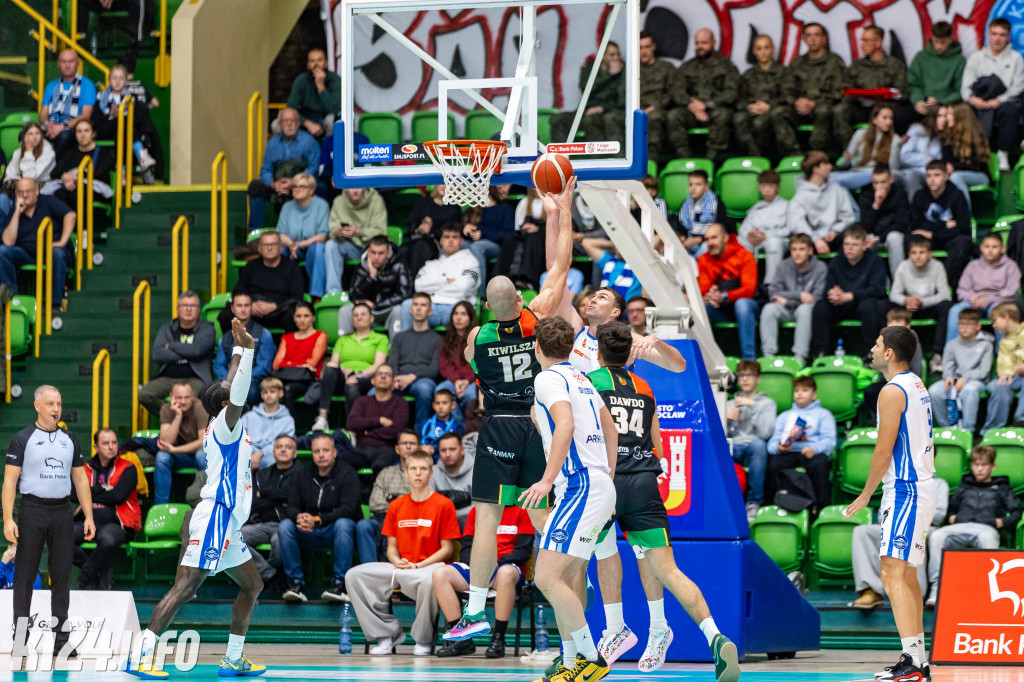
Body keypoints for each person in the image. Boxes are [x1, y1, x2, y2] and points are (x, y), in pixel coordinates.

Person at [442, 178, 578, 643]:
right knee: (544, 520)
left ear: (485, 306)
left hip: (498, 427)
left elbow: (474, 368)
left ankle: (475, 610)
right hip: (537, 424)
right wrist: (563, 210)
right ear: (520, 301)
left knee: (486, 520)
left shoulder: (476, 337)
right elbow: (561, 265)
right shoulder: (536, 317)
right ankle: (567, 601)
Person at [585, 322, 739, 678]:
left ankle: (588, 641)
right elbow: (657, 443)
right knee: (668, 569)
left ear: (598, 353)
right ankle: (714, 635)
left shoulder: (590, 383)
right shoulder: (644, 387)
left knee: (577, 560)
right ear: (629, 354)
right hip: (644, 483)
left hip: (607, 483)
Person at [125, 319, 267, 678]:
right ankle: (140, 655)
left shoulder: (222, 421)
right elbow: (236, 389)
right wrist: (250, 353)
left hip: (228, 522)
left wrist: (238, 347)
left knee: (253, 585)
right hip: (216, 515)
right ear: (226, 403)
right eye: (231, 393)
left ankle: (233, 658)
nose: (236, 390)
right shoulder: (226, 426)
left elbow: (231, 382)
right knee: (185, 588)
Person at [515, 316, 619, 682]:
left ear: (536, 348)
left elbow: (566, 424)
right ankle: (571, 659)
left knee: (546, 576)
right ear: (571, 348)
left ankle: (591, 658)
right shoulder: (582, 377)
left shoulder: (547, 378)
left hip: (580, 485)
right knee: (568, 575)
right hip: (598, 483)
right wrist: (608, 476)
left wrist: (546, 480)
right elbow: (611, 429)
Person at [845, 325, 939, 682]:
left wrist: (865, 494)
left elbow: (883, 451)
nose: (871, 349)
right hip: (920, 486)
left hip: (906, 489)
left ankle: (912, 662)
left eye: (877, 344)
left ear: (888, 353)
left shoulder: (891, 391)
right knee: (907, 574)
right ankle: (918, 661)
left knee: (892, 572)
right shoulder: (916, 383)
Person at [4, 386, 94, 665]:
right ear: (37, 406)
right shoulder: (23, 439)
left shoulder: (70, 439)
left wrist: (88, 515)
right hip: (32, 510)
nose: (56, 409)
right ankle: (20, 642)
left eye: (59, 403)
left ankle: (61, 641)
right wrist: (8, 519)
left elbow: (81, 479)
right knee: (24, 577)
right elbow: (9, 482)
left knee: (62, 576)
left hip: (62, 511)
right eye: (50, 403)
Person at [347, 449, 462, 656]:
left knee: (430, 580)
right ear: (406, 473)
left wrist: (418, 565)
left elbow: (447, 549)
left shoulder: (444, 505)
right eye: (413, 469)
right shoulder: (396, 505)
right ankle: (387, 634)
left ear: (431, 473)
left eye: (423, 469)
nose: (418, 473)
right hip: (402, 566)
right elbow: (391, 548)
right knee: (354, 575)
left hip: (430, 567)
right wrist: (396, 561)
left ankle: (424, 640)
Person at [433, 503, 534, 658]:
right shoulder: (477, 511)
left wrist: (495, 563)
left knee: (506, 574)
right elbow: (466, 546)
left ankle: (498, 639)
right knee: (440, 573)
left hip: (506, 566)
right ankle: (462, 640)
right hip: (478, 567)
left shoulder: (522, 511)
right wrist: (477, 565)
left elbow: (523, 551)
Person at [926, 445, 1022, 605]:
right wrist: (951, 517)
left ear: (993, 466)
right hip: (959, 527)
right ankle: (937, 589)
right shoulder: (964, 485)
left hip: (986, 528)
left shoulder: (1002, 487)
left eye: (984, 465)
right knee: (937, 536)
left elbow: (1017, 511)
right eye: (976, 465)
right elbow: (951, 508)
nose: (979, 469)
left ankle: (987, 591)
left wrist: (1003, 522)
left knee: (988, 538)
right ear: (971, 466)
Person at [278, 434, 363, 603]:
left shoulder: (347, 473)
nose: (321, 455)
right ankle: (295, 584)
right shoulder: (303, 474)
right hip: (308, 530)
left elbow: (349, 509)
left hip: (336, 532)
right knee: (285, 526)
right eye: (316, 451)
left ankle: (340, 584)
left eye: (325, 450)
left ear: (335, 453)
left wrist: (317, 519)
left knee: (344, 524)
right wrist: (300, 517)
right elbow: (292, 506)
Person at [851, 479, 949, 610]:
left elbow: (938, 515)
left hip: (925, 527)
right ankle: (871, 591)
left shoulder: (938, 484)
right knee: (862, 532)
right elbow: (882, 516)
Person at [73, 428, 140, 590]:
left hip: (118, 524)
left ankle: (86, 576)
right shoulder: (85, 469)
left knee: (108, 539)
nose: (111, 447)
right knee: (59, 538)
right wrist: (102, 488)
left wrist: (88, 493)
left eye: (114, 442)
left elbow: (118, 496)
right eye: (105, 443)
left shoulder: (129, 468)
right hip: (88, 522)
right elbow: (74, 495)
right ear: (96, 447)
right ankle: (98, 571)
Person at [810, 226, 889, 360]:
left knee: (869, 306)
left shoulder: (875, 261)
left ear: (864, 246)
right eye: (846, 244)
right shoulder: (836, 261)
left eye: (854, 245)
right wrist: (833, 294)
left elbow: (878, 290)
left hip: (862, 304)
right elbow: (828, 288)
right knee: (821, 307)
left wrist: (850, 296)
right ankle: (820, 353)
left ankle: (871, 354)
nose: (849, 248)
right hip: (841, 304)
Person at [0, 177, 77, 313]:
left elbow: (70, 215)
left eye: (28, 191)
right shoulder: (15, 210)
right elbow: (8, 241)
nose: (24, 195)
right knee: (3, 251)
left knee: (58, 252)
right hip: (28, 254)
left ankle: (55, 305)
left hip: (51, 253)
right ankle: (12, 301)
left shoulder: (48, 201)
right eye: (20, 192)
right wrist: (17, 213)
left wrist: (62, 242)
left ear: (36, 191)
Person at [764, 376, 837, 513]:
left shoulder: (823, 414)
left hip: (811, 453)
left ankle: (820, 509)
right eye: (796, 390)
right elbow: (771, 445)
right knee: (773, 464)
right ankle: (772, 507)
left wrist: (814, 449)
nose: (799, 393)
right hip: (788, 453)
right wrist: (778, 448)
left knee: (820, 464)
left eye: (804, 390)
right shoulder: (784, 416)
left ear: (814, 394)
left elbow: (829, 441)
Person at [312, 302, 390, 430]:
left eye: (363, 314)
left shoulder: (380, 339)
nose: (359, 317)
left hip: (366, 378)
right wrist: (344, 370)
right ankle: (322, 417)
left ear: (371, 318)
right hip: (343, 376)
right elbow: (334, 362)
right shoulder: (343, 339)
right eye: (355, 315)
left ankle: (352, 429)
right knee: (330, 368)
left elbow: (378, 365)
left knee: (352, 384)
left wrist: (358, 375)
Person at [138, 291, 215, 416]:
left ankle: (180, 422)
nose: (188, 309)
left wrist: (171, 346)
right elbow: (157, 354)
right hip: (169, 378)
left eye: (193, 305)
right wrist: (189, 352)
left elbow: (198, 350)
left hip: (195, 379)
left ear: (198, 309)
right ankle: (173, 417)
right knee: (144, 394)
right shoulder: (167, 329)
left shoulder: (208, 329)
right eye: (185, 305)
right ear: (177, 309)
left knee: (191, 399)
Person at [667, 28, 739, 162]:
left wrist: (705, 105)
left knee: (724, 114)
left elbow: (731, 93)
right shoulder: (687, 67)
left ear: (714, 43)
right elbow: (677, 91)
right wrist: (692, 106)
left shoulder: (726, 66)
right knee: (673, 116)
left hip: (715, 110)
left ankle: (710, 161)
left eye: (704, 43)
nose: (700, 47)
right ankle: (685, 160)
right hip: (692, 111)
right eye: (697, 43)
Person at [961, 18, 1024, 171]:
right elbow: (965, 89)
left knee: (1011, 109)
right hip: (979, 103)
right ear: (988, 35)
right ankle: (972, 156)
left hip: (1003, 102)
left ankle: (1003, 153)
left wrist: (999, 100)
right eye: (994, 34)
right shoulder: (976, 58)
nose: (997, 38)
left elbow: (1018, 87)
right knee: (963, 110)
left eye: (1002, 35)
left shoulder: (1016, 58)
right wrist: (973, 99)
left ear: (1008, 36)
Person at [943, 233, 1021, 354]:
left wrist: (988, 299)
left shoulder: (1010, 266)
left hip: (998, 302)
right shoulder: (973, 265)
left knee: (1001, 312)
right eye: (987, 246)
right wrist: (971, 298)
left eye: (994, 247)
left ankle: (1003, 355)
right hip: (973, 303)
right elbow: (962, 290)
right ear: (981, 248)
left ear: (1002, 248)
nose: (990, 250)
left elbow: (1011, 291)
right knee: (955, 310)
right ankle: (951, 354)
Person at [759, 233, 828, 362]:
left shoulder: (820, 268)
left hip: (806, 311)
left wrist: (787, 300)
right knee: (769, 308)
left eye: (801, 249)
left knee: (805, 309)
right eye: (794, 249)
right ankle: (768, 356)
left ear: (810, 251)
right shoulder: (783, 266)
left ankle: (799, 358)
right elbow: (773, 292)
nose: (797, 253)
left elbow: (817, 298)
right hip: (785, 309)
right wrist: (800, 296)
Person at [241, 434, 300, 584]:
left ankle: (273, 574)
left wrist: (265, 493)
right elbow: (253, 502)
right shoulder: (262, 474)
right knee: (231, 538)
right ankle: (270, 574)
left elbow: (296, 499)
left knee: (279, 541)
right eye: (279, 447)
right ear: (273, 452)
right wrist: (281, 499)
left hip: (287, 525)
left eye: (288, 447)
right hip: (260, 524)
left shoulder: (302, 473)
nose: (283, 450)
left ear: (295, 453)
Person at [247, 108, 320, 228]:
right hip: (278, 185)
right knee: (255, 187)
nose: (289, 124)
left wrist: (294, 183)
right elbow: (265, 170)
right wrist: (274, 184)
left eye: (292, 121)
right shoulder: (272, 143)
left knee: (321, 187)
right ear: (279, 125)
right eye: (285, 121)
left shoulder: (309, 142)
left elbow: (314, 169)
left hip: (301, 184)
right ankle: (255, 234)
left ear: (298, 124)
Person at [399, 225, 481, 331]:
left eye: (455, 237)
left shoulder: (471, 261)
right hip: (431, 306)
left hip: (455, 306)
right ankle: (408, 341)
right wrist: (445, 281)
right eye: (447, 237)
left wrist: (434, 290)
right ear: (441, 241)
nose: (450, 240)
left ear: (461, 241)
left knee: (461, 313)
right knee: (407, 305)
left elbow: (462, 288)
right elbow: (419, 287)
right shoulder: (431, 264)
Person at [698, 223, 759, 360]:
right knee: (702, 307)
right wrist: (710, 293)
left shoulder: (744, 255)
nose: (710, 243)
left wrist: (725, 295)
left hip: (746, 308)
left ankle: (749, 360)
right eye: (707, 239)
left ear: (725, 238)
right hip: (720, 309)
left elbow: (749, 290)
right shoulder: (703, 259)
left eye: (714, 238)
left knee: (742, 305)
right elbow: (703, 289)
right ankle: (706, 359)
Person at [786, 22, 849, 152]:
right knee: (779, 113)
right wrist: (797, 102)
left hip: (824, 106)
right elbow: (787, 90)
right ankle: (793, 156)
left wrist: (814, 103)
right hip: (801, 109)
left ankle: (817, 155)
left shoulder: (834, 61)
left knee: (824, 111)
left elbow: (839, 92)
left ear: (824, 38)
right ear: (804, 39)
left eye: (816, 35)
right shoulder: (797, 63)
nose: (813, 39)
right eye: (808, 36)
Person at [909, 160, 972, 289]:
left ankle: (945, 286)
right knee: (911, 239)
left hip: (949, 238)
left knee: (963, 243)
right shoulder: (920, 195)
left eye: (937, 175)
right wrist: (945, 226)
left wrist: (933, 233)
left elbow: (963, 227)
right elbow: (916, 224)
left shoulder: (957, 195)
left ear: (946, 176)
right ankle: (915, 286)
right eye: (929, 176)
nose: (932, 180)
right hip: (930, 238)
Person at [928, 309, 993, 433]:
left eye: (968, 324)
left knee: (969, 391)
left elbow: (984, 371)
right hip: (955, 379)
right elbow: (947, 365)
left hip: (977, 380)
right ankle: (947, 429)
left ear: (978, 326)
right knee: (934, 391)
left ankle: (968, 431)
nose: (964, 327)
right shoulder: (952, 344)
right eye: (961, 324)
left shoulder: (986, 344)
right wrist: (948, 377)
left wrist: (965, 379)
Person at [734, 35, 799, 159]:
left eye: (766, 48)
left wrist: (769, 106)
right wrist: (751, 106)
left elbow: (789, 96)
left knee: (761, 123)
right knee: (738, 119)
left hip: (777, 110)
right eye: (759, 48)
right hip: (754, 111)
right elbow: (739, 98)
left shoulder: (784, 72)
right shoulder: (748, 74)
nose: (763, 52)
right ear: (754, 51)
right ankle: (756, 158)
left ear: (772, 49)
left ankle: (785, 158)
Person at [727, 360, 777, 521]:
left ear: (758, 379)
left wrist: (753, 406)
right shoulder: (728, 403)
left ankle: (753, 502)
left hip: (753, 448)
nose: (745, 379)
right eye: (742, 375)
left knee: (759, 445)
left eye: (749, 375)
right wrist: (725, 420)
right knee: (717, 448)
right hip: (732, 446)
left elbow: (765, 433)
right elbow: (718, 435)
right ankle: (724, 503)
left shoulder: (767, 404)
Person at [228, 231, 306, 333]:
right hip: (253, 312)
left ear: (281, 248)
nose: (269, 248)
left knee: (296, 315)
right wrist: (250, 305)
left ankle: (285, 344)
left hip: (280, 312)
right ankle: (234, 343)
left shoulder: (292, 267)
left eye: (273, 244)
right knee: (227, 315)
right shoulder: (251, 266)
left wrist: (275, 305)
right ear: (259, 249)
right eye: (265, 245)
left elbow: (297, 296)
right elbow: (238, 291)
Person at [550, 42, 626, 146]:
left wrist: (603, 108)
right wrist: (608, 75)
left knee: (590, 121)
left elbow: (622, 101)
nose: (616, 58)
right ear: (603, 56)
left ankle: (596, 156)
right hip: (585, 110)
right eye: (612, 55)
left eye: (618, 55)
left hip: (607, 111)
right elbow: (585, 87)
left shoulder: (623, 72)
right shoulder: (590, 68)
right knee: (557, 119)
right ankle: (563, 154)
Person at [93, 63, 159, 183]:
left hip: (125, 132)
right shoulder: (100, 97)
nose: (117, 81)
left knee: (123, 131)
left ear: (126, 80)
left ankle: (122, 171)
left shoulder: (132, 98)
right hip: (106, 130)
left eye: (121, 78)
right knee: (121, 124)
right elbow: (96, 119)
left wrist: (122, 115)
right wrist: (111, 116)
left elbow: (139, 119)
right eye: (114, 78)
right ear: (109, 80)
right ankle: (142, 156)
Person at [388, 293, 443, 429]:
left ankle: (420, 434)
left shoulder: (437, 339)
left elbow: (434, 370)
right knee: (376, 391)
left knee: (424, 389)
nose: (418, 308)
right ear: (410, 309)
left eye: (423, 305)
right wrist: (395, 378)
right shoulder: (399, 337)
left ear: (430, 311)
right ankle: (388, 433)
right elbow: (392, 363)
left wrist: (412, 377)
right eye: (415, 304)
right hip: (398, 379)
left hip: (422, 380)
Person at [888, 236, 952, 351]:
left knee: (947, 307)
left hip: (929, 307)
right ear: (909, 255)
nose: (917, 256)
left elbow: (945, 294)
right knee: (883, 306)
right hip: (908, 307)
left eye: (922, 252)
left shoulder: (937, 266)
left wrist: (922, 302)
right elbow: (894, 294)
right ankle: (889, 349)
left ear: (930, 254)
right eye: (914, 253)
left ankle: (938, 352)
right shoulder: (903, 266)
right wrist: (907, 300)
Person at [840, 26, 910, 132]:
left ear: (878, 42)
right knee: (840, 110)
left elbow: (904, 93)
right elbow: (845, 87)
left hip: (885, 108)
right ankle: (849, 143)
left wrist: (888, 95)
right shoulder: (857, 66)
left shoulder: (895, 65)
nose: (862, 45)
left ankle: (885, 142)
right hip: (862, 108)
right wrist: (851, 95)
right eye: (862, 40)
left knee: (888, 112)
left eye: (866, 40)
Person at [213, 291, 275, 407]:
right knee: (210, 393)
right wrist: (228, 382)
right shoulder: (225, 337)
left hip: (254, 381)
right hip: (229, 381)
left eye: (246, 305)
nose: (243, 309)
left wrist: (241, 381)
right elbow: (219, 365)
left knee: (250, 393)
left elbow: (263, 366)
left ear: (251, 307)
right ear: (232, 308)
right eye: (239, 305)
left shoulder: (264, 334)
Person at [787, 151, 856, 254]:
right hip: (811, 241)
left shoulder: (838, 190)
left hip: (836, 237)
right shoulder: (800, 197)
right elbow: (796, 224)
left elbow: (848, 217)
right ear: (816, 170)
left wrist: (834, 231)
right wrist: (816, 239)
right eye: (826, 164)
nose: (830, 167)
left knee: (851, 240)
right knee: (801, 244)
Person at [341, 235, 412, 334]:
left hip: (387, 311)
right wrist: (371, 278)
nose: (376, 257)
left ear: (388, 253)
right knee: (345, 310)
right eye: (373, 252)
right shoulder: (361, 267)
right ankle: (344, 343)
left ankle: (396, 344)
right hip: (365, 311)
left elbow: (404, 295)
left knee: (398, 310)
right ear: (368, 251)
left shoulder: (399, 266)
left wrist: (376, 305)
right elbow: (353, 296)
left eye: (381, 253)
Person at [345, 364, 411, 472]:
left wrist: (367, 432)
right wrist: (380, 420)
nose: (383, 377)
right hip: (361, 448)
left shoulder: (400, 403)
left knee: (381, 466)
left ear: (393, 382)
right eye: (380, 374)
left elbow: (397, 430)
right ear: (372, 380)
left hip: (386, 449)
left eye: (388, 374)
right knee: (342, 462)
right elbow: (351, 423)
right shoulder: (361, 401)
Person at [153, 380, 209, 505]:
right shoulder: (166, 409)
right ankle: (160, 506)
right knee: (162, 457)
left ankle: (205, 503)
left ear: (192, 396)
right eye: (179, 397)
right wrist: (178, 416)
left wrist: (174, 450)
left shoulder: (200, 407)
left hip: (196, 453)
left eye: (187, 397)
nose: (183, 401)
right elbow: (166, 441)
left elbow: (202, 443)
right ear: (171, 397)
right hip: (178, 456)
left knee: (202, 456)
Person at [362, 430, 420, 551]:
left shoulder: (424, 473)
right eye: (404, 443)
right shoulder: (386, 473)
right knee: (364, 526)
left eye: (412, 443)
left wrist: (390, 499)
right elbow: (374, 503)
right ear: (397, 449)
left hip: (413, 520)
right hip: (384, 518)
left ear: (419, 448)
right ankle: (371, 564)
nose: (408, 446)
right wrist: (403, 503)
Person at [276, 173, 330, 298]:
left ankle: (316, 295)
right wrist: (291, 244)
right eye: (294, 186)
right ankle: (281, 293)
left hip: (311, 246)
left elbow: (323, 236)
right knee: (280, 249)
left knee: (317, 248)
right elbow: (280, 234)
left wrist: (300, 244)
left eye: (302, 186)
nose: (297, 189)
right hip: (292, 248)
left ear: (311, 190)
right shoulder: (287, 207)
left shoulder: (321, 205)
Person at [905, 22, 965, 133]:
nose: (938, 46)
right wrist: (917, 101)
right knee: (900, 116)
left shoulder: (959, 61)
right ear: (931, 37)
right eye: (936, 41)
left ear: (950, 39)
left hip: (946, 106)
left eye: (943, 42)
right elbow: (913, 84)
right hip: (923, 104)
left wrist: (940, 101)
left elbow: (960, 91)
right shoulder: (920, 57)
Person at [325, 187, 388, 291]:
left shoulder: (376, 200)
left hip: (370, 247)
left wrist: (358, 232)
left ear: (364, 187)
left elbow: (381, 233)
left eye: (358, 186)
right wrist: (338, 232)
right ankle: (333, 292)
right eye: (351, 187)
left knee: (379, 248)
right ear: (345, 189)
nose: (355, 190)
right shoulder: (339, 201)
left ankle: (375, 291)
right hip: (351, 247)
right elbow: (332, 230)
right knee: (330, 245)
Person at [831, 103, 901, 196]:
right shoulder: (860, 134)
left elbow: (894, 168)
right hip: (855, 171)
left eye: (891, 118)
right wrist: (846, 158)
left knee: (834, 182)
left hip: (873, 173)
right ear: (874, 119)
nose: (889, 122)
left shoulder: (895, 139)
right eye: (885, 118)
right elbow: (844, 164)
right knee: (826, 178)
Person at [42, 119, 114, 208]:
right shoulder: (70, 153)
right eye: (79, 131)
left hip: (94, 191)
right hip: (70, 189)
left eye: (86, 131)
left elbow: (102, 174)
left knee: (76, 194)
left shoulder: (103, 153)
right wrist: (64, 176)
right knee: (59, 194)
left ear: (93, 134)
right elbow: (55, 173)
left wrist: (77, 177)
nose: (83, 135)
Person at [271, 302, 328, 412]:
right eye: (298, 316)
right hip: (286, 378)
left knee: (288, 389)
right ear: (294, 318)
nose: (302, 320)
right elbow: (276, 365)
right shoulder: (286, 338)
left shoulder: (320, 336)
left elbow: (312, 363)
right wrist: (302, 365)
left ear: (313, 317)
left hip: (307, 381)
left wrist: (288, 363)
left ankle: (287, 423)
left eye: (306, 316)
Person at [39, 50, 96, 159]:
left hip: (73, 128)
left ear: (77, 63)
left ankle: (55, 168)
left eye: (71, 61)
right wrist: (47, 125)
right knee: (27, 134)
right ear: (58, 64)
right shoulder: (51, 86)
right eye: (64, 61)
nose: (67, 65)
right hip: (51, 127)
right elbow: (43, 114)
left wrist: (62, 127)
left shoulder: (87, 85)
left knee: (63, 136)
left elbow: (85, 116)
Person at [859, 163, 911, 277]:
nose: (879, 186)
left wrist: (879, 237)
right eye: (876, 183)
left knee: (894, 238)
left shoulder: (900, 194)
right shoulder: (866, 196)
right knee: (861, 241)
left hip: (889, 236)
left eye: (883, 182)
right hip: (871, 237)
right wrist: (876, 205)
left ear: (891, 180)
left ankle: (898, 281)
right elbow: (864, 227)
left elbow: (900, 224)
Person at [738, 169, 789, 284]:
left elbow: (789, 229)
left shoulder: (786, 206)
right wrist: (750, 235)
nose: (766, 189)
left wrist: (766, 235)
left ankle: (771, 284)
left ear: (778, 187)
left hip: (777, 239)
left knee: (774, 243)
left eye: (771, 186)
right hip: (757, 240)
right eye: (763, 186)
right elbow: (744, 229)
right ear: (759, 188)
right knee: (740, 241)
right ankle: (746, 281)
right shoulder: (756, 207)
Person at [463, 185, 515, 296]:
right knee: (455, 245)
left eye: (480, 186)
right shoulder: (472, 210)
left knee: (477, 247)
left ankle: (481, 293)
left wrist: (483, 234)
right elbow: (458, 231)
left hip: (496, 245)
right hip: (472, 243)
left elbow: (508, 234)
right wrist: (465, 229)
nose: (477, 189)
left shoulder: (505, 209)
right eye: (475, 187)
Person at [980, 303, 1024, 433]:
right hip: (1016, 377)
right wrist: (1006, 373)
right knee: (1001, 385)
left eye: (995, 321)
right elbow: (1003, 363)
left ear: (1006, 317)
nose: (993, 325)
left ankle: (1020, 422)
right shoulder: (1004, 341)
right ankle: (992, 431)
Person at [941, 102, 991, 206]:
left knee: (956, 177)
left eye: (950, 114)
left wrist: (954, 167)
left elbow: (976, 166)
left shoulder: (976, 137)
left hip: (979, 175)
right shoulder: (947, 137)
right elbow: (946, 160)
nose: (947, 117)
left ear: (961, 117)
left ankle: (965, 214)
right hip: (953, 174)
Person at [1, 122, 55, 218]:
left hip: (41, 190)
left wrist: (28, 151)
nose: (34, 137)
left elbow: (30, 177)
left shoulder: (49, 153)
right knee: (3, 198)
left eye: (37, 133)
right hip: (20, 190)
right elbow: (9, 175)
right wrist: (19, 183)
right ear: (25, 136)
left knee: (22, 195)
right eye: (30, 134)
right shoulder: (18, 153)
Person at [240, 378, 296, 470]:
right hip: (248, 458)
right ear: (261, 395)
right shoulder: (249, 416)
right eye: (265, 392)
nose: (269, 395)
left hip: (273, 461)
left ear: (281, 393)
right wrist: (250, 455)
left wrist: (260, 453)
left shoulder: (288, 420)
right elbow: (240, 438)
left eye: (272, 392)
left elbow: (285, 443)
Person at [284, 48, 341, 138]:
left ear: (326, 63)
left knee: (332, 121)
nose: (316, 64)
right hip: (305, 119)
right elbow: (290, 108)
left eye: (319, 60)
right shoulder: (301, 80)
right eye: (312, 61)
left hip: (325, 118)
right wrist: (308, 124)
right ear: (308, 65)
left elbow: (335, 110)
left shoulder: (335, 80)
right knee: (276, 124)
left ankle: (329, 147)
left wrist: (320, 86)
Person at [437, 300, 478, 423]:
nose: (458, 318)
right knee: (441, 391)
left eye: (463, 314)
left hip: (472, 380)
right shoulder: (446, 340)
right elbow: (444, 366)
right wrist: (456, 380)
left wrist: (467, 381)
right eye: (456, 313)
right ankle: (458, 426)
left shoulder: (478, 339)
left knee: (470, 395)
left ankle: (468, 427)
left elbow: (479, 365)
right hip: (454, 380)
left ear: (470, 318)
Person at [638, 32, 674, 161]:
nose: (643, 52)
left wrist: (655, 107)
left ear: (653, 47)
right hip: (638, 110)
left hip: (660, 110)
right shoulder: (632, 70)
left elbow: (673, 92)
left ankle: (650, 162)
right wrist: (641, 109)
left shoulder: (667, 67)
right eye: (640, 48)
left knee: (653, 117)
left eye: (647, 47)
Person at [678, 170, 727, 257]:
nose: (693, 188)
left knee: (705, 247)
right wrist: (682, 237)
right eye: (690, 184)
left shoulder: (716, 203)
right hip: (690, 240)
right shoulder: (685, 204)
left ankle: (696, 263)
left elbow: (720, 228)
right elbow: (682, 226)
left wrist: (700, 239)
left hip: (707, 240)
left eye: (698, 184)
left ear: (707, 186)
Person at [430, 431, 474, 527]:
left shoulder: (477, 471)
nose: (447, 454)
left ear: (462, 450)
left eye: (452, 449)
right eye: (443, 450)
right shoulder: (432, 472)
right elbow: (428, 506)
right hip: (441, 528)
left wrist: (450, 515)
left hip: (471, 528)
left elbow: (478, 509)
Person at [898, 110, 942, 201]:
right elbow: (904, 156)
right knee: (912, 176)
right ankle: (916, 208)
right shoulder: (917, 129)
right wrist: (928, 160)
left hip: (936, 172)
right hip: (915, 171)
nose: (944, 119)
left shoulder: (943, 134)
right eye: (940, 116)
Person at [420, 390, 463, 457]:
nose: (440, 407)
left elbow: (456, 447)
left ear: (453, 405)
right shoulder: (425, 424)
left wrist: (435, 449)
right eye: (437, 403)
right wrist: (420, 447)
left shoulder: (458, 426)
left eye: (444, 403)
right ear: (433, 405)